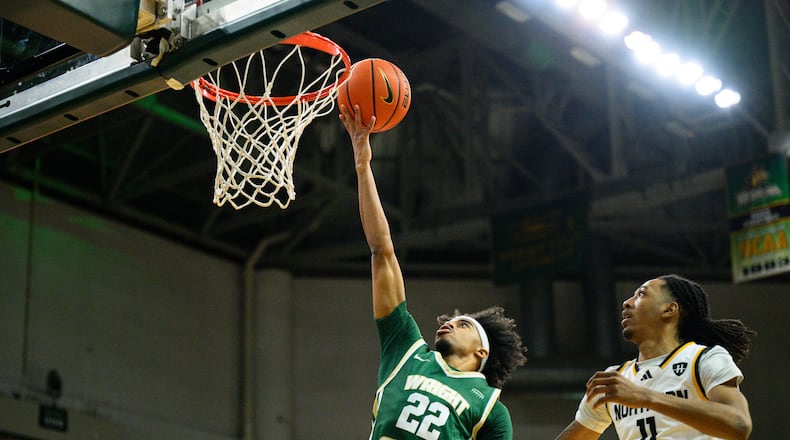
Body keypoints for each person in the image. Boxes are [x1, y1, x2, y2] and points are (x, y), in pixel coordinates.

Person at [339, 104, 528, 440]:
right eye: (456, 319)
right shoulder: (407, 350)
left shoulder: (490, 409)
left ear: (481, 352)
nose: (452, 322)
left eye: (465, 323)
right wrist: (363, 165)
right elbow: (382, 252)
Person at [555, 274, 756, 440]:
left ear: (669, 309)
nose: (626, 303)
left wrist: (646, 397)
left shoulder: (703, 358)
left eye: (641, 294)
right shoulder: (615, 378)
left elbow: (739, 426)